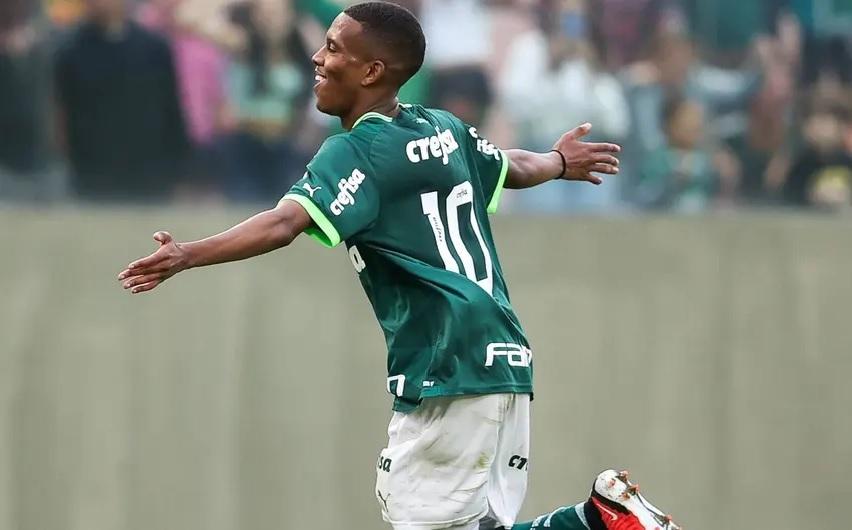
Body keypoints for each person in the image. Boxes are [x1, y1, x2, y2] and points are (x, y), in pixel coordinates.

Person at [117, 3, 679, 530]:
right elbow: (510, 164)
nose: (317, 56)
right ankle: (597, 518)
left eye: (334, 48)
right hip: (501, 361)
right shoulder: (443, 128)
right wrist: (558, 162)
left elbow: (284, 223)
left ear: (370, 72)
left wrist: (188, 254)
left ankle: (598, 519)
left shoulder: (357, 151)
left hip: (447, 362)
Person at [55, 0, 189, 201]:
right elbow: (61, 111)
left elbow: (172, 109)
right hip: (93, 171)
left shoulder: (154, 48)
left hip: (150, 170)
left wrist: (181, 167)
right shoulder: (69, 50)